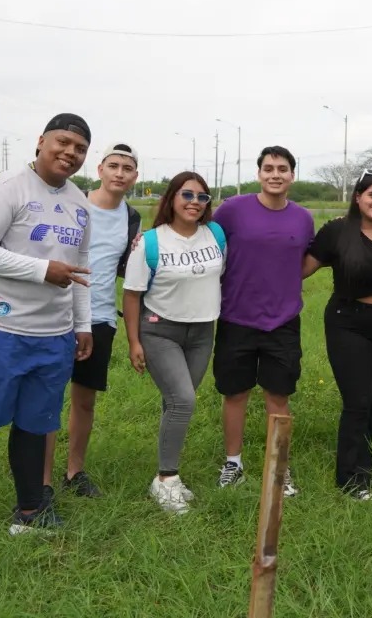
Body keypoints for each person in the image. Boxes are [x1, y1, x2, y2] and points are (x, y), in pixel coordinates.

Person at [0, 113, 94, 549]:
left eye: (80, 148)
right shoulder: (5, 188)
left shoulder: (81, 204)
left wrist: (81, 325)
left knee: (35, 424)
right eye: (63, 142)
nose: (70, 153)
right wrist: (42, 270)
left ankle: (31, 511)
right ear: (42, 141)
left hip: (53, 337)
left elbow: (82, 270)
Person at [213, 147, 313, 496]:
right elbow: (200, 237)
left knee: (278, 395)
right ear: (258, 174)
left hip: (282, 321)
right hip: (236, 316)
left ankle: (279, 469)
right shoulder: (232, 210)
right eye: (268, 168)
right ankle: (233, 463)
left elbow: (307, 260)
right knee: (235, 392)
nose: (275, 174)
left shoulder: (303, 218)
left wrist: (287, 283)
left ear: (292, 176)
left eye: (282, 168)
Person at [123, 172, 225, 514]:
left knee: (176, 403)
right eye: (187, 195)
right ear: (172, 198)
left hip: (201, 333)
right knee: (183, 400)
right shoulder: (150, 242)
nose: (195, 202)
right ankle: (166, 479)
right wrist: (134, 341)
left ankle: (168, 477)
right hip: (159, 330)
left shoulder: (215, 235)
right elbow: (132, 294)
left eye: (202, 197)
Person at [43, 142, 141, 501]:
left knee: (84, 401)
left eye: (126, 168)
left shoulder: (132, 218)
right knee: (48, 398)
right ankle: (42, 480)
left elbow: (123, 270)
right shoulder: (73, 202)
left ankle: (74, 472)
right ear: (99, 169)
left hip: (99, 317)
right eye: (113, 165)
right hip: (55, 313)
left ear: (134, 177)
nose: (119, 173)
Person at [303, 170, 372, 500]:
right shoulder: (337, 231)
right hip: (347, 321)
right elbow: (300, 269)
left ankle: (362, 463)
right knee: (357, 401)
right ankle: (350, 479)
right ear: (357, 197)